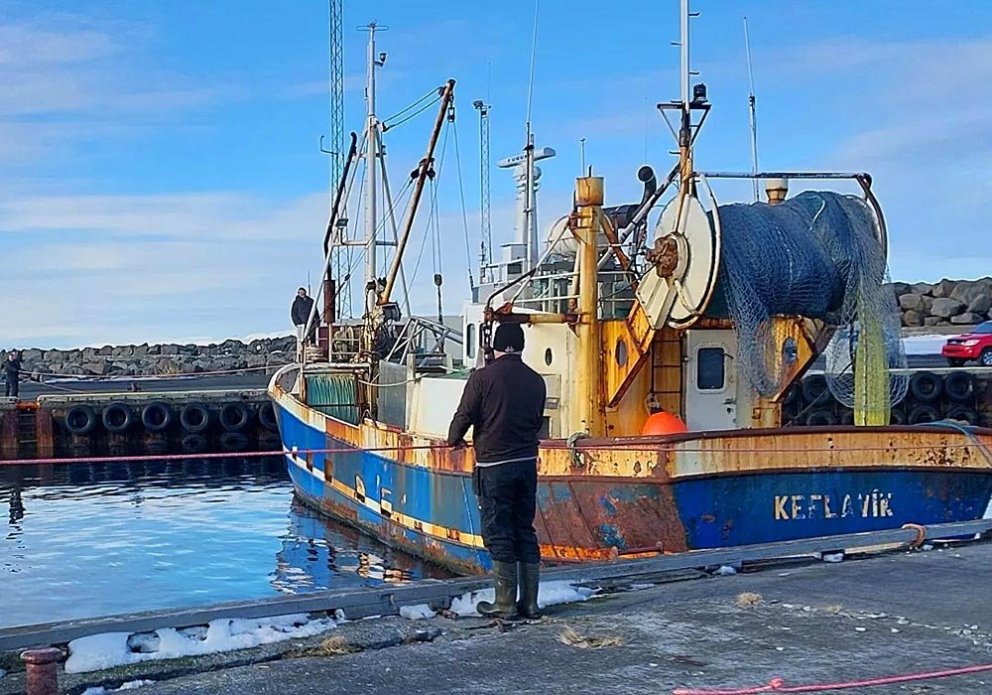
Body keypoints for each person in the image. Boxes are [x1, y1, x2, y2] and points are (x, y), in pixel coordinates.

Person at [447, 323, 547, 619]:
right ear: (521, 346)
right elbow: (536, 422)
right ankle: (530, 603)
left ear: (496, 346)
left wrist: (453, 439)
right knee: (524, 529)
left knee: (499, 531)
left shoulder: (482, 378)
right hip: (526, 465)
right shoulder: (536, 381)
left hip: (494, 467)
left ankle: (504, 603)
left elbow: (464, 415)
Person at [291, 288, 316, 354]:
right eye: (300, 292)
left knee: (312, 337)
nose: (302, 294)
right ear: (298, 293)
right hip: (301, 324)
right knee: (302, 339)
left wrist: (317, 320)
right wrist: (297, 323)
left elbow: (315, 311)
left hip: (311, 322)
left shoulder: (310, 301)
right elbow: (293, 314)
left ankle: (311, 351)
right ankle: (302, 352)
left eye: (303, 292)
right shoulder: (296, 303)